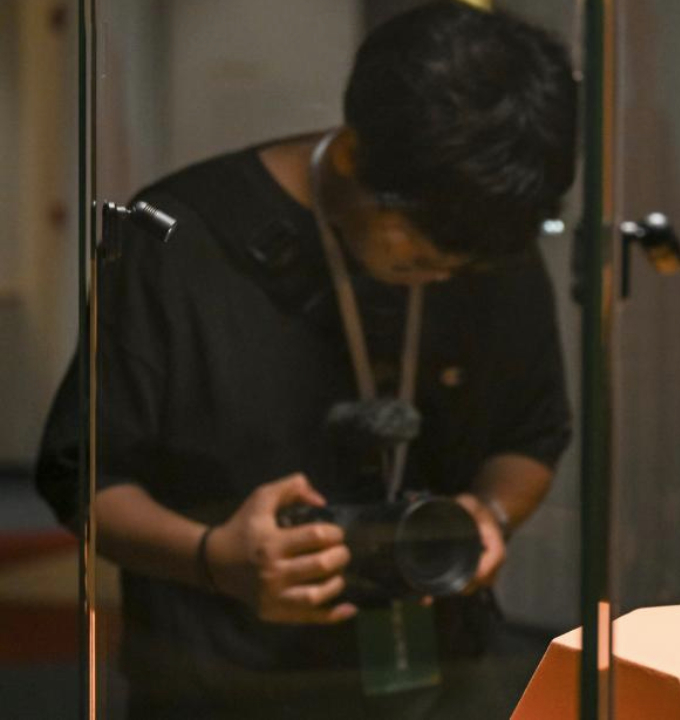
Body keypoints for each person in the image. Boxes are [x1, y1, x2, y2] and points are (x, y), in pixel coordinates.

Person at [34, 3, 577, 718]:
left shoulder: (489, 240)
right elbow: (85, 475)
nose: (444, 276)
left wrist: (490, 515)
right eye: (420, 255)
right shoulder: (179, 237)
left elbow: (531, 431)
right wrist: (214, 557)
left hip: (442, 669)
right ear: (352, 155)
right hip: (223, 680)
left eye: (463, 266)